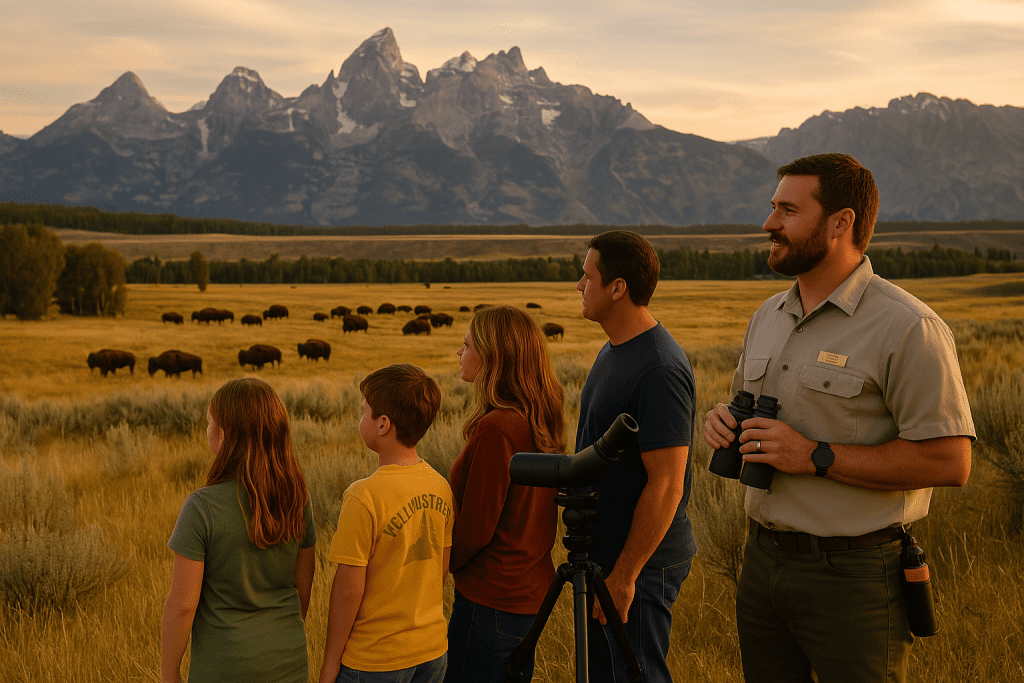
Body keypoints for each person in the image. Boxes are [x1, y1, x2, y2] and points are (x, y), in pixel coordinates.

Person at [702, 152, 975, 683]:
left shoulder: (908, 327)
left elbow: (951, 461)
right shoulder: (768, 316)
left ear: (840, 223)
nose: (769, 223)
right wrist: (722, 422)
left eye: (787, 209)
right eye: (772, 207)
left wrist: (815, 457)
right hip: (761, 562)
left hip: (855, 576)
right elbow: (746, 404)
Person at [575, 230, 697, 683]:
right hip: (607, 555)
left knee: (637, 674)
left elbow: (667, 484)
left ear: (617, 287)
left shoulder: (659, 368)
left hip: (641, 563)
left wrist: (626, 574)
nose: (578, 285)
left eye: (587, 276)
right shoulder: (615, 349)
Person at [161, 377, 317, 683]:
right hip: (289, 660)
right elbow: (304, 591)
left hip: (224, 666)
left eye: (210, 422)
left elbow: (181, 606)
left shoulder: (201, 506)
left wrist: (169, 675)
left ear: (224, 434)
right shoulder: (298, 498)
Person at [444, 305, 565, 683]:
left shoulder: (497, 428)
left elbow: (477, 527)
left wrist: (438, 565)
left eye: (466, 345)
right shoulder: (538, 414)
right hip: (527, 593)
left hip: (490, 598)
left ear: (492, 357)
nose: (459, 353)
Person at [319, 364, 454, 683]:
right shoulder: (440, 485)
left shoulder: (363, 496)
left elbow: (348, 589)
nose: (360, 418)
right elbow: (441, 568)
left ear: (382, 424)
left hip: (375, 659)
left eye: (363, 412)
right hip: (432, 651)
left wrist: (330, 663)